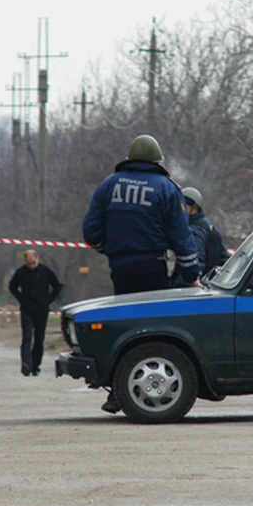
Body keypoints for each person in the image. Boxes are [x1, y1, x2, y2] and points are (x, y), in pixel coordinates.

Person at [82, 134, 200, 413]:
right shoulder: (167, 189)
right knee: (153, 331)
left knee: (124, 328)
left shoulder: (108, 185)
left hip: (121, 267)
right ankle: (146, 391)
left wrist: (112, 251)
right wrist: (192, 273)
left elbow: (91, 232)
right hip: (155, 268)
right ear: (157, 160)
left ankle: (115, 394)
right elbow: (182, 237)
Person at [8, 249, 63, 376]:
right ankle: (26, 364)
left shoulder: (45, 271)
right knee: (26, 337)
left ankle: (36, 365)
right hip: (27, 309)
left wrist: (49, 299)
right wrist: (21, 299)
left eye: (33, 263)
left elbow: (58, 286)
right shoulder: (21, 272)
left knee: (39, 338)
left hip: (42, 309)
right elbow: (12, 287)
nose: (32, 266)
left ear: (37, 259)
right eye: (29, 264)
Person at [181, 187, 230, 278]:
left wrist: (192, 280)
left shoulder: (194, 230)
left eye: (185, 205)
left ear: (195, 207)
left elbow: (197, 262)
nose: (181, 209)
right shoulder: (207, 225)